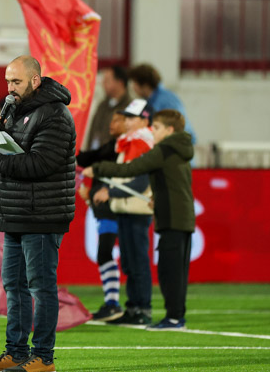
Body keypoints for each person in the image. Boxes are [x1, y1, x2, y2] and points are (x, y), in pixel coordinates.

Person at [0, 56, 76, 372]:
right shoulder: (16, 112)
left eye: (16, 82)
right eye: (7, 82)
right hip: (17, 210)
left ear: (35, 81)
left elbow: (41, 164)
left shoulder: (55, 114)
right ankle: (16, 351)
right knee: (14, 285)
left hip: (43, 213)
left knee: (41, 285)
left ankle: (44, 357)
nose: (10, 89)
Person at [86, 109, 195, 330]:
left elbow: (133, 169)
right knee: (174, 270)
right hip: (178, 216)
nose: (151, 132)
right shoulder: (178, 150)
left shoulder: (164, 149)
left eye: (155, 128)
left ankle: (173, 318)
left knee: (169, 271)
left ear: (169, 130)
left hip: (173, 219)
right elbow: (177, 182)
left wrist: (98, 169)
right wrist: (157, 197)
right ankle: (174, 316)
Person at [93, 99, 155, 325]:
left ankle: (143, 308)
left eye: (131, 118)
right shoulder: (130, 143)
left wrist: (111, 192)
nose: (126, 122)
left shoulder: (144, 144)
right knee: (130, 261)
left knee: (137, 261)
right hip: (126, 208)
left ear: (144, 120)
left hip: (136, 209)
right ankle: (133, 307)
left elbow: (139, 183)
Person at [76, 105, 127, 321]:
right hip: (106, 207)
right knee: (106, 254)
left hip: (114, 207)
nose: (111, 124)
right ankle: (113, 303)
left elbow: (88, 158)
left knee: (107, 253)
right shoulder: (114, 145)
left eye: (117, 120)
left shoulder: (121, 147)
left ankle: (114, 303)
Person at [128, 63, 195, 143]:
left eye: (134, 83)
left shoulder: (165, 101)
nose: (132, 87)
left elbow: (177, 127)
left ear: (145, 85)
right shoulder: (149, 100)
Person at [84, 64, 131, 151]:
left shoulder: (129, 108)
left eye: (107, 81)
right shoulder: (102, 105)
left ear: (120, 83)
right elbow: (93, 132)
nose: (103, 84)